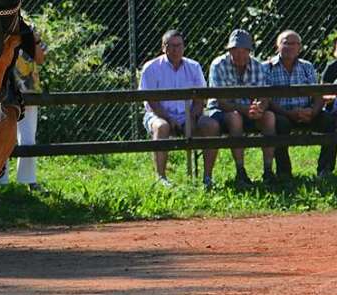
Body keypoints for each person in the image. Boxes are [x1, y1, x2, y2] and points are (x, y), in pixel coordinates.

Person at [139, 29, 216, 187]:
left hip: (188, 114)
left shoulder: (194, 67)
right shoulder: (151, 68)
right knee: (162, 127)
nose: (176, 50)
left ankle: (208, 178)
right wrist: (169, 118)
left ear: (184, 47)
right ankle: (161, 178)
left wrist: (193, 117)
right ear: (163, 47)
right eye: (171, 46)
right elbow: (152, 102)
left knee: (211, 125)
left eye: (179, 45)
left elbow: (200, 97)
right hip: (158, 114)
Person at [205, 29, 273, 186]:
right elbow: (222, 102)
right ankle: (240, 171)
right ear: (229, 50)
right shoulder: (218, 65)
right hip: (221, 111)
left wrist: (260, 107)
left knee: (269, 117)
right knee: (235, 118)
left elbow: (264, 95)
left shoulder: (257, 66)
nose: (240, 55)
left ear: (249, 51)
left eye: (244, 51)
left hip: (249, 111)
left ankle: (268, 171)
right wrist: (247, 110)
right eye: (235, 50)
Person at [265, 30, 337, 179]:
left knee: (331, 122)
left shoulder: (307, 66)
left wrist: (313, 111)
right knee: (280, 125)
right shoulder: (266, 67)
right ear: (277, 46)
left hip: (308, 113)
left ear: (300, 48)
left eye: (295, 44)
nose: (290, 47)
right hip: (281, 113)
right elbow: (267, 100)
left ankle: (325, 170)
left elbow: (317, 95)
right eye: (286, 43)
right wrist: (288, 113)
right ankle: (284, 172)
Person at [0, 29, 47, 190]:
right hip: (4, 92)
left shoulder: (30, 29)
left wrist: (35, 41)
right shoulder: (0, 28)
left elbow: (40, 59)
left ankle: (28, 180)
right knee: (1, 138)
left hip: (29, 92)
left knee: (28, 139)